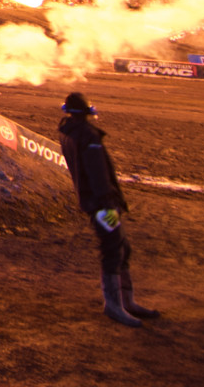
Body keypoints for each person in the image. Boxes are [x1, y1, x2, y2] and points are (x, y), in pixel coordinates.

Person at [58, 92, 156, 326]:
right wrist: (108, 204)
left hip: (93, 203)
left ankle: (124, 302)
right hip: (103, 207)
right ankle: (117, 305)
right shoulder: (88, 136)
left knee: (121, 247)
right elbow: (99, 175)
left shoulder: (67, 133)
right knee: (114, 248)